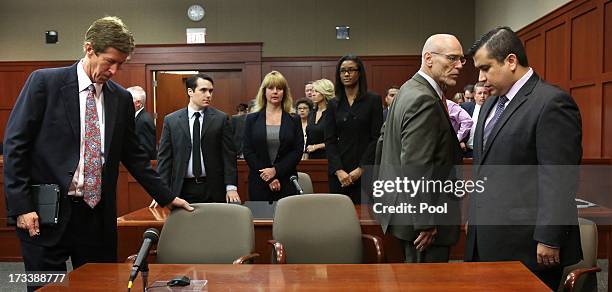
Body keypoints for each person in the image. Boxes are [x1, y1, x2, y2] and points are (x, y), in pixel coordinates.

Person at [2, 16, 192, 290]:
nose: (115, 71)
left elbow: (135, 157)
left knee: (99, 287)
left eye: (121, 64)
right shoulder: (44, 83)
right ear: (89, 49)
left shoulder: (121, 98)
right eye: (110, 61)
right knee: (43, 287)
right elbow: (15, 146)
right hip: (44, 213)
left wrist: (166, 195)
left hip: (95, 215)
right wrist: (22, 207)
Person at [464, 26, 582, 290]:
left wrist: (550, 237)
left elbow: (559, 178)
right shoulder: (490, 105)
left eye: (486, 68)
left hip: (528, 245)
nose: (481, 79)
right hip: (485, 239)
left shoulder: (551, 103)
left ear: (511, 61)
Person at [375, 34, 464, 263]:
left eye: (462, 60)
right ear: (428, 58)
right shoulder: (423, 98)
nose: (460, 66)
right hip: (423, 223)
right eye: (452, 58)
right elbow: (416, 165)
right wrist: (425, 221)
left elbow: (383, 143)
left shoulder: (407, 89)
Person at [155, 73, 240, 204]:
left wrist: (231, 187)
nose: (208, 95)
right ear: (190, 91)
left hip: (213, 188)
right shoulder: (171, 120)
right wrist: (161, 192)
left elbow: (229, 155)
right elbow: (165, 159)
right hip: (182, 188)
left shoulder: (220, 119)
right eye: (203, 90)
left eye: (211, 91)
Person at [326, 55, 383, 204]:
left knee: (366, 218)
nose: (346, 74)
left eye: (351, 70)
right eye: (342, 71)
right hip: (339, 173)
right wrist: (338, 170)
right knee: (338, 215)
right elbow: (329, 140)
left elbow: (376, 138)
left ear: (359, 73)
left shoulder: (373, 100)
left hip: (365, 171)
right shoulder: (333, 103)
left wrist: (361, 169)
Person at [243, 71, 303, 201]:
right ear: (264, 92)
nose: (275, 92)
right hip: (259, 181)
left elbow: (297, 151)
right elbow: (248, 151)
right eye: (271, 88)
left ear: (284, 92)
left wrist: (276, 171)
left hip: (287, 180)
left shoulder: (294, 119)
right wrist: (268, 176)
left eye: (279, 88)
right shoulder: (252, 119)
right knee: (260, 220)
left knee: (288, 220)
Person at [305, 78, 334, 159]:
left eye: (316, 91)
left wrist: (317, 146)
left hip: (329, 157)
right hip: (312, 157)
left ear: (324, 93)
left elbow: (339, 139)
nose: (312, 94)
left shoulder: (333, 113)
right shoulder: (311, 113)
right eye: (312, 91)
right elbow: (309, 137)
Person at [128, 86, 157, 160]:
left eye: (127, 100)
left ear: (137, 103)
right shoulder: (138, 117)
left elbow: (146, 150)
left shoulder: (144, 120)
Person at [463, 81, 489, 157]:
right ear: (474, 95)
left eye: (485, 93)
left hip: (485, 153)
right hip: (468, 151)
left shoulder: (494, 110)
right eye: (479, 93)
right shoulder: (465, 108)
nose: (482, 96)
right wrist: (460, 141)